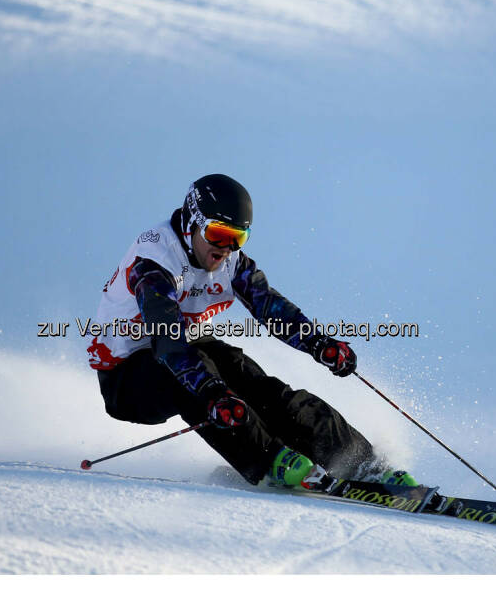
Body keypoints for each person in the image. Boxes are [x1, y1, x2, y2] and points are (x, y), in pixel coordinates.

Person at [87, 173, 418, 489]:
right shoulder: (154, 265)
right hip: (128, 376)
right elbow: (169, 342)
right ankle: (269, 461)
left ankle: (362, 463)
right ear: (192, 223)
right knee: (199, 385)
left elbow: (268, 305)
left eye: (237, 238)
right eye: (218, 234)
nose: (225, 248)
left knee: (263, 389)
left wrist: (319, 344)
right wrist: (212, 392)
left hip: (191, 347)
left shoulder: (231, 262)